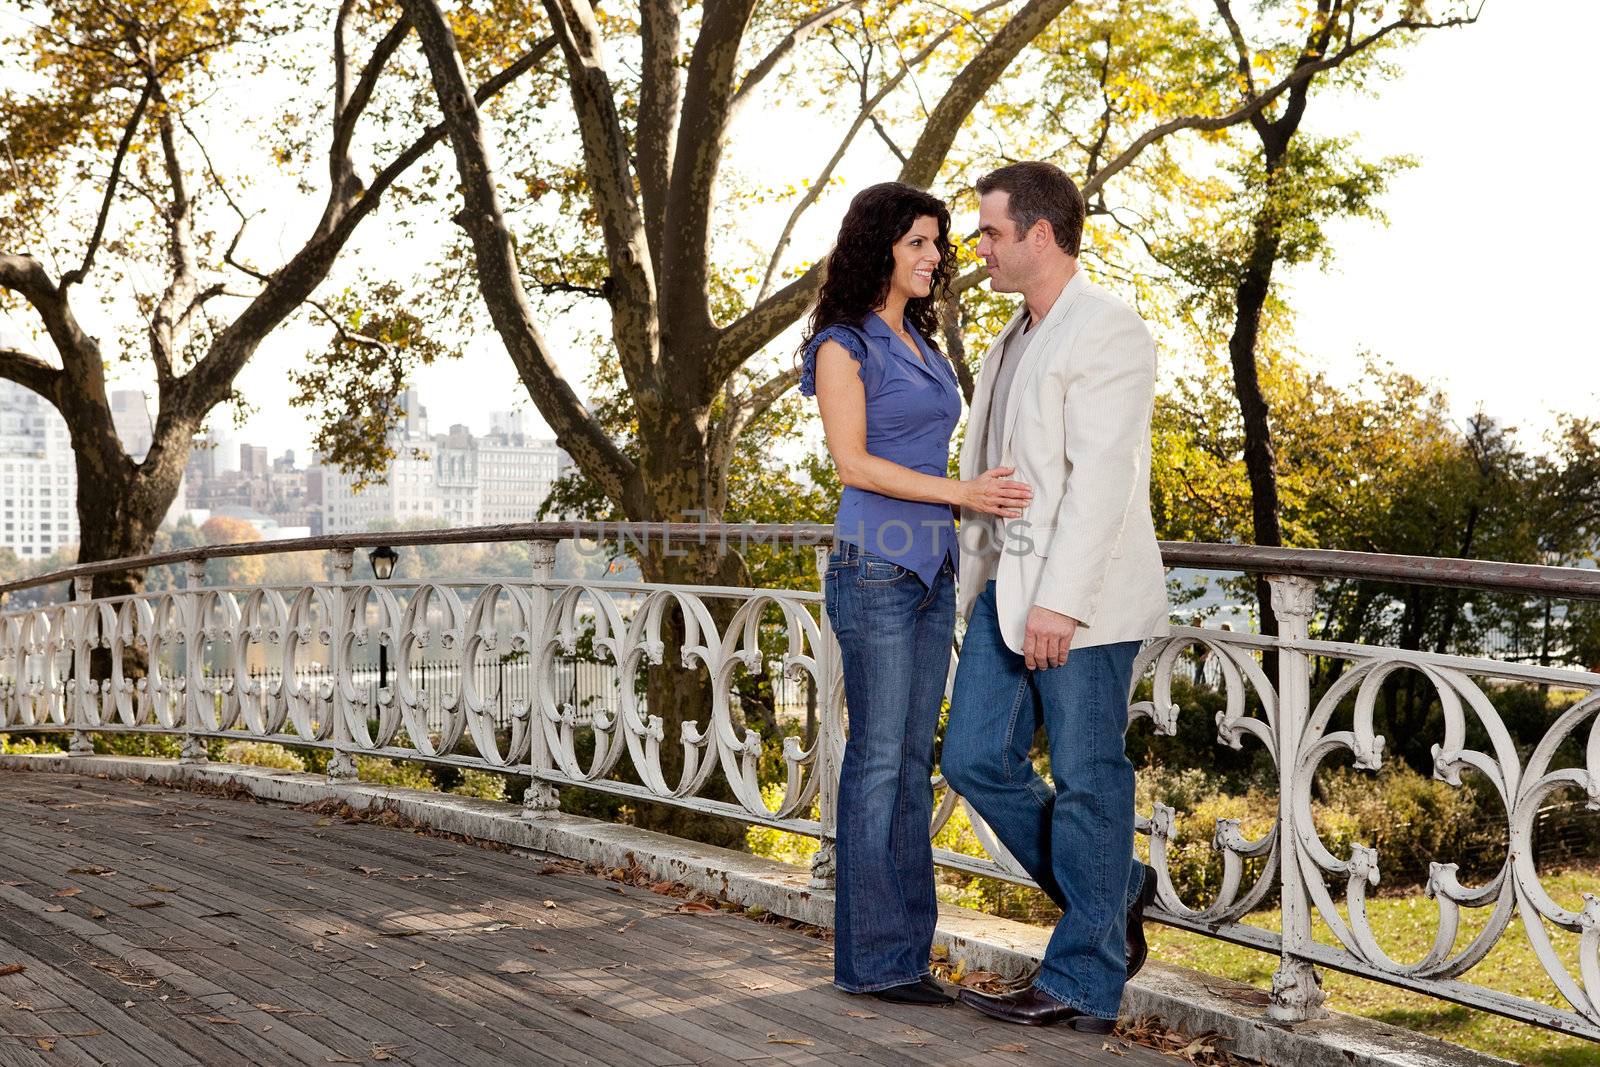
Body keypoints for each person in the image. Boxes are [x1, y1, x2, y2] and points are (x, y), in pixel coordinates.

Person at [941, 162, 1170, 1032]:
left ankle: (1081, 978)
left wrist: (1061, 602)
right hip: (1005, 588)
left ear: (1041, 234)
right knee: (971, 759)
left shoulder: (1108, 331)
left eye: (991, 231)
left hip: (1081, 603)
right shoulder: (1012, 337)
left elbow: (1102, 483)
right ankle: (1114, 891)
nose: (980, 247)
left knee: (1087, 778)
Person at [801, 182, 1032, 1005]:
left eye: (939, 243)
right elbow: (855, 465)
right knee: (875, 763)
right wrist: (965, 497)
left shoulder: (923, 344)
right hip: (875, 567)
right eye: (922, 244)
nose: (938, 256)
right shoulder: (843, 344)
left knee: (909, 763)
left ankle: (905, 954)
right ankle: (874, 961)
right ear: (881, 248)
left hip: (931, 574)